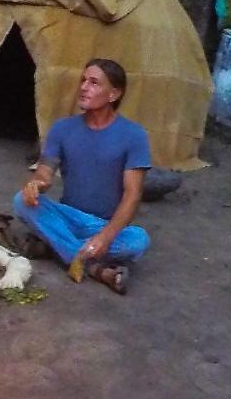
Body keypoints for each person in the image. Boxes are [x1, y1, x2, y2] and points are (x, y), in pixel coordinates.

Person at [13, 58, 151, 295]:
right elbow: (44, 172)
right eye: (83, 80)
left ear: (113, 94)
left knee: (139, 240)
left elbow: (132, 195)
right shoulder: (62, 129)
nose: (84, 87)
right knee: (20, 201)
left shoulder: (134, 135)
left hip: (105, 225)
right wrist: (35, 185)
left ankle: (55, 247)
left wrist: (105, 238)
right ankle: (97, 268)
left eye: (94, 83)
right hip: (69, 217)